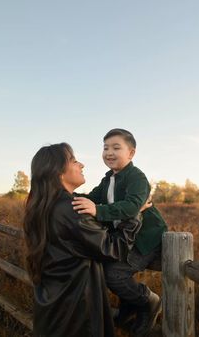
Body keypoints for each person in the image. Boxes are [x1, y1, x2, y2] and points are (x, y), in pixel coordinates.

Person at [23, 142, 141, 337]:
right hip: (75, 315)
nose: (82, 165)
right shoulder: (71, 208)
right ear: (58, 171)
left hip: (53, 308)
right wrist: (135, 215)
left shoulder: (43, 205)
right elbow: (113, 249)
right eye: (74, 160)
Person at [72, 128, 168, 337]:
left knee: (114, 274)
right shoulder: (108, 179)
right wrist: (63, 193)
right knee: (105, 268)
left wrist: (98, 210)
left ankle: (149, 302)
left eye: (116, 147)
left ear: (131, 153)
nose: (109, 152)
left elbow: (133, 206)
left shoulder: (137, 177)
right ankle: (128, 308)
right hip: (126, 237)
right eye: (106, 147)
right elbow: (92, 197)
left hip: (146, 239)